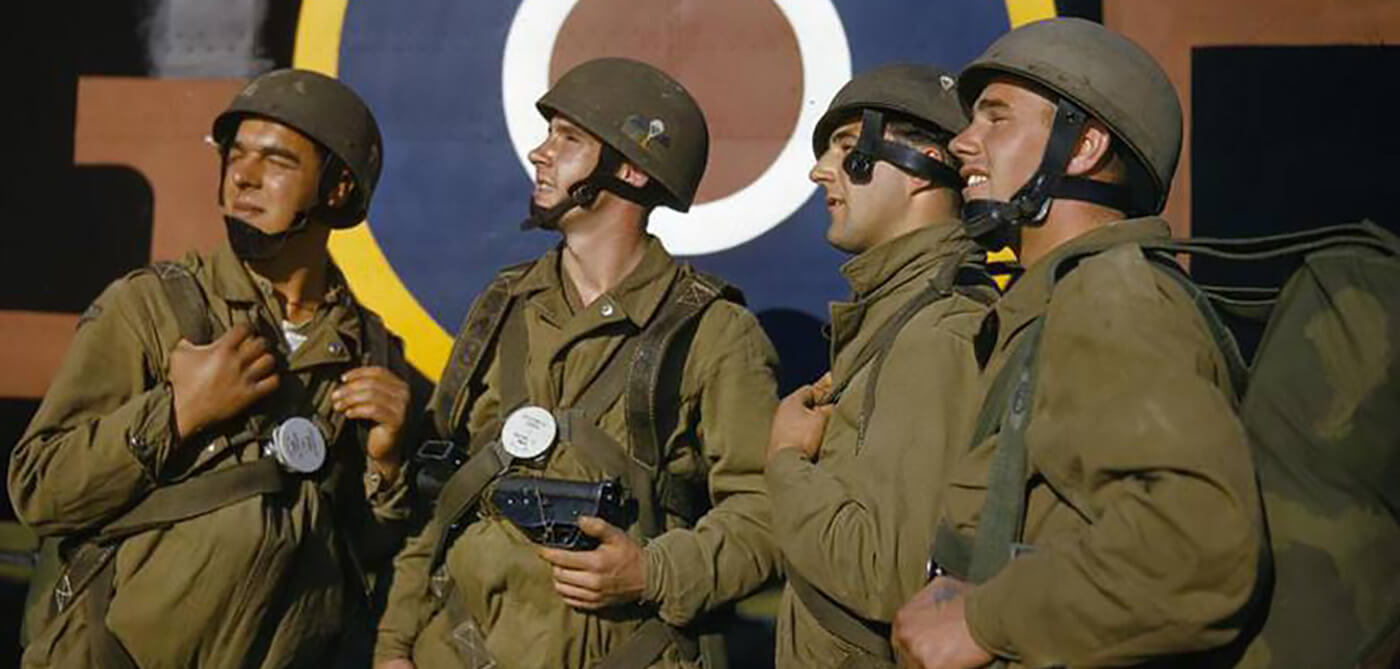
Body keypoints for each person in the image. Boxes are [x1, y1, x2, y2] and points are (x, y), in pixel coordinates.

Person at [374, 58, 780, 668]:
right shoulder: (503, 306)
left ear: (632, 169)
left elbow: (765, 514)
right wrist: (394, 644)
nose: (539, 154)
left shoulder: (715, 331)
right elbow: (443, 491)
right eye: (549, 135)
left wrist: (653, 573)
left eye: (569, 139)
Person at [890, 18, 1264, 669]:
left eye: (996, 118)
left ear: (1084, 146)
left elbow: (1197, 548)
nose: (961, 143)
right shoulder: (1060, 300)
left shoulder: (1110, 298)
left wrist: (984, 621)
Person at [10, 68, 415, 667]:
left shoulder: (370, 352)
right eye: (236, 155)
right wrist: (177, 414)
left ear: (337, 189)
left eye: (276, 161)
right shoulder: (153, 306)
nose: (243, 176)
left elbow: (363, 559)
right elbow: (39, 490)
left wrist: (386, 467)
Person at [764, 63, 994, 668]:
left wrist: (786, 461)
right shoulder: (901, 316)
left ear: (921, 165)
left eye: (846, 149)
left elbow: (889, 576)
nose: (820, 171)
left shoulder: (936, 334)